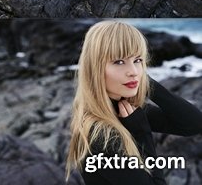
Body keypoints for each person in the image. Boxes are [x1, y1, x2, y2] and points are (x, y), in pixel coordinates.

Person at [67, 20, 202, 183]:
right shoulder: (101, 136)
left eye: (138, 60)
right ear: (95, 69)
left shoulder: (121, 108)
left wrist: (145, 83)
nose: (133, 71)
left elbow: (194, 123)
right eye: (119, 62)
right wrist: (142, 134)